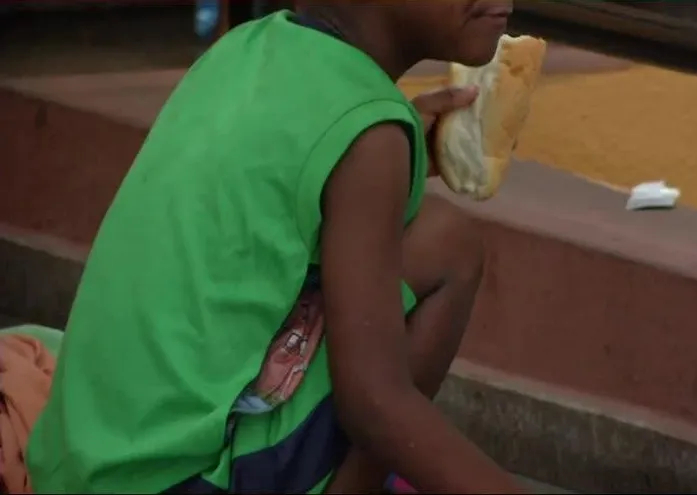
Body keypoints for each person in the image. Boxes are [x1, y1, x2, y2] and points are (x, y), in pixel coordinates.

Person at [26, 1, 528, 494]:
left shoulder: (247, 47)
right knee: (449, 246)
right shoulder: (370, 133)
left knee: (420, 240)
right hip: (176, 481)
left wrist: (391, 152)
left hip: (78, 460)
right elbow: (375, 405)